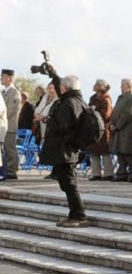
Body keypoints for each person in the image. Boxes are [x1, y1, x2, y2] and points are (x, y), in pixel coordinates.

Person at [40, 64, 89, 226]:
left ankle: (79, 215)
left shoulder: (69, 103)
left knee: (69, 184)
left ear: (65, 88)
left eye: (60, 86)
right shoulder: (77, 100)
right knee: (67, 182)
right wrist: (53, 74)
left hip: (65, 148)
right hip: (68, 148)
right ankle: (75, 213)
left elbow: (62, 125)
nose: (58, 88)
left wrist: (47, 119)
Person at [111, 79, 132, 180]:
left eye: (123, 85)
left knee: (129, 152)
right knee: (120, 151)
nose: (121, 87)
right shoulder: (120, 98)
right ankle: (121, 173)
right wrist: (112, 123)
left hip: (128, 129)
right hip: (118, 130)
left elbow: (128, 113)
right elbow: (115, 111)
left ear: (128, 86)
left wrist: (118, 125)